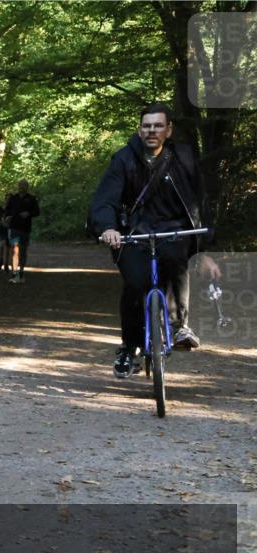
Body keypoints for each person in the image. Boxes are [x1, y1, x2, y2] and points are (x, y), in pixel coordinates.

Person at [89, 102, 220, 378]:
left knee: (176, 263)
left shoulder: (184, 158)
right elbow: (105, 199)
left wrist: (205, 249)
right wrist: (108, 227)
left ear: (168, 130)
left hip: (174, 231)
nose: (152, 131)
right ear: (139, 130)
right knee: (135, 283)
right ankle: (129, 346)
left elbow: (200, 204)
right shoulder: (124, 159)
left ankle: (178, 326)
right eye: (147, 126)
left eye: (158, 126)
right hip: (133, 234)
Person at [4, 180, 40, 283]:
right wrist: (7, 217)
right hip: (14, 227)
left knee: (23, 252)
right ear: (18, 186)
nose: (22, 187)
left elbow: (37, 212)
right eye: (20, 185)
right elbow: (7, 210)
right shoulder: (13, 198)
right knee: (15, 250)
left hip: (25, 229)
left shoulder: (31, 198)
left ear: (27, 187)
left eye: (24, 185)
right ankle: (15, 274)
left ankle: (21, 272)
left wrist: (28, 213)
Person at [0, 193, 11, 272]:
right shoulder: (1, 208)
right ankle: (0, 261)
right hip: (2, 228)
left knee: (8, 247)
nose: (8, 200)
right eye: (7, 198)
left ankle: (6, 264)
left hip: (10, 229)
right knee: (2, 245)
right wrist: (3, 222)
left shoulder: (13, 209)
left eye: (9, 199)